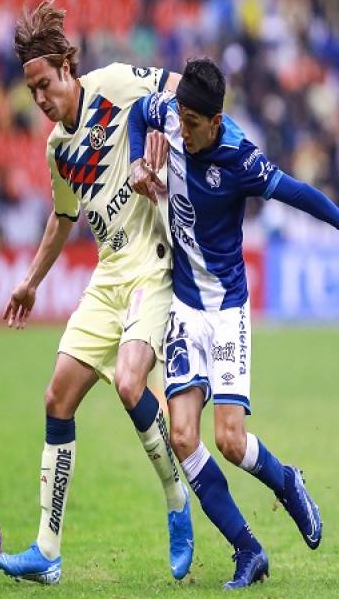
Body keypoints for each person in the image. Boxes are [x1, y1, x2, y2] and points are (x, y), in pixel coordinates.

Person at [0, 0, 194, 585]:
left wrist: (159, 134)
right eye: (30, 91)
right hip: (108, 277)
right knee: (57, 399)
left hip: (152, 264)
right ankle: (47, 551)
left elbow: (182, 88)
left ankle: (176, 504)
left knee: (132, 384)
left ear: (65, 66)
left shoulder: (111, 83)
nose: (38, 100)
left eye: (43, 86)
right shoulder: (58, 147)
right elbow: (62, 220)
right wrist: (31, 283)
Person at [128, 57, 333, 590]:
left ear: (216, 121)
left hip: (225, 313)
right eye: (181, 119)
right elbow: (135, 116)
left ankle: (287, 482)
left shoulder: (240, 157)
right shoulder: (171, 116)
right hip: (183, 305)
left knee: (231, 441)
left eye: (194, 123)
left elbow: (298, 194)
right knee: (182, 435)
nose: (184, 130)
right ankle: (249, 550)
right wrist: (134, 161)